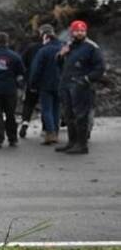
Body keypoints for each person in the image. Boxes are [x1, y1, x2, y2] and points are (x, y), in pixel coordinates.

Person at [55, 20, 106, 155]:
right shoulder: (69, 45)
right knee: (68, 115)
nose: (79, 33)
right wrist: (61, 55)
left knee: (81, 115)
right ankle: (72, 142)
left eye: (82, 31)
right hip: (66, 83)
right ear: (72, 32)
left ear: (86, 32)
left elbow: (100, 67)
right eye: (77, 31)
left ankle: (82, 144)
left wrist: (86, 79)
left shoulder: (92, 47)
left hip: (81, 85)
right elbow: (59, 64)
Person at [27, 24, 63, 145]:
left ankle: (50, 133)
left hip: (45, 84)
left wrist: (32, 84)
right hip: (61, 83)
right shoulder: (64, 48)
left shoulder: (43, 51)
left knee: (46, 109)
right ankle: (56, 133)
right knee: (56, 109)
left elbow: (36, 69)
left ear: (46, 37)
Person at [18, 32, 43, 139]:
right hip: (46, 82)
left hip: (31, 80)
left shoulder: (30, 48)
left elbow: (21, 62)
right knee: (46, 105)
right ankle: (47, 128)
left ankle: (25, 123)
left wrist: (24, 76)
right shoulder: (51, 47)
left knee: (28, 103)